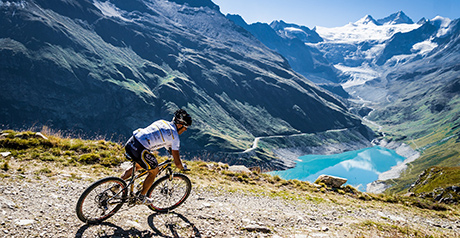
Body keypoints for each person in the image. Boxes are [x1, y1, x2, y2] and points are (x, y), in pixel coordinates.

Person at [120, 109, 192, 204]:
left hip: (132, 141)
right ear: (180, 124)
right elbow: (178, 163)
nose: (186, 129)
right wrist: (182, 167)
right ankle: (141, 197)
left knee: (139, 165)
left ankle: (116, 185)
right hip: (141, 148)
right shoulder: (175, 137)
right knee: (154, 171)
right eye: (185, 127)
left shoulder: (162, 122)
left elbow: (164, 141)